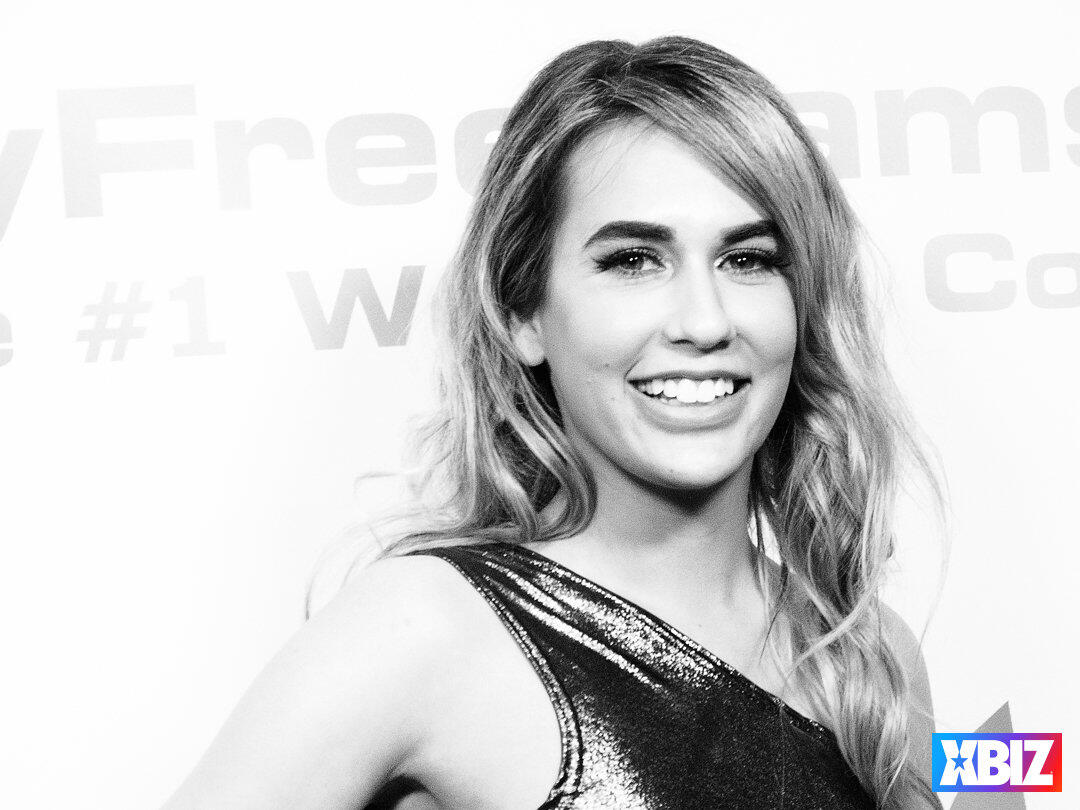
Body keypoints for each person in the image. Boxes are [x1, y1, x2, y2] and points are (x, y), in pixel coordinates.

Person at [162, 36, 945, 809]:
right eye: (632, 260)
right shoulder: (424, 628)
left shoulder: (871, 655)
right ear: (522, 312)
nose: (705, 322)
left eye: (749, 259)